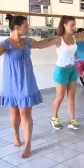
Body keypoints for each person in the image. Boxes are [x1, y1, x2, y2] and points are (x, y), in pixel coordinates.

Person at [0, 14, 59, 158]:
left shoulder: (27, 41)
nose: (28, 28)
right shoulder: (5, 44)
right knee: (14, 111)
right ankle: (15, 134)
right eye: (26, 26)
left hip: (27, 81)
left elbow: (42, 43)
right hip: (11, 82)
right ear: (17, 27)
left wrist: (57, 39)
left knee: (25, 112)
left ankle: (28, 144)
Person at [50, 16, 84, 130]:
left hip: (72, 69)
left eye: (75, 25)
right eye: (72, 25)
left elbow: (81, 41)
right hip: (61, 70)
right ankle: (54, 118)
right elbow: (42, 44)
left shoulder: (74, 37)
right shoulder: (58, 39)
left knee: (71, 96)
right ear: (64, 25)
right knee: (60, 96)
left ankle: (72, 120)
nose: (74, 27)